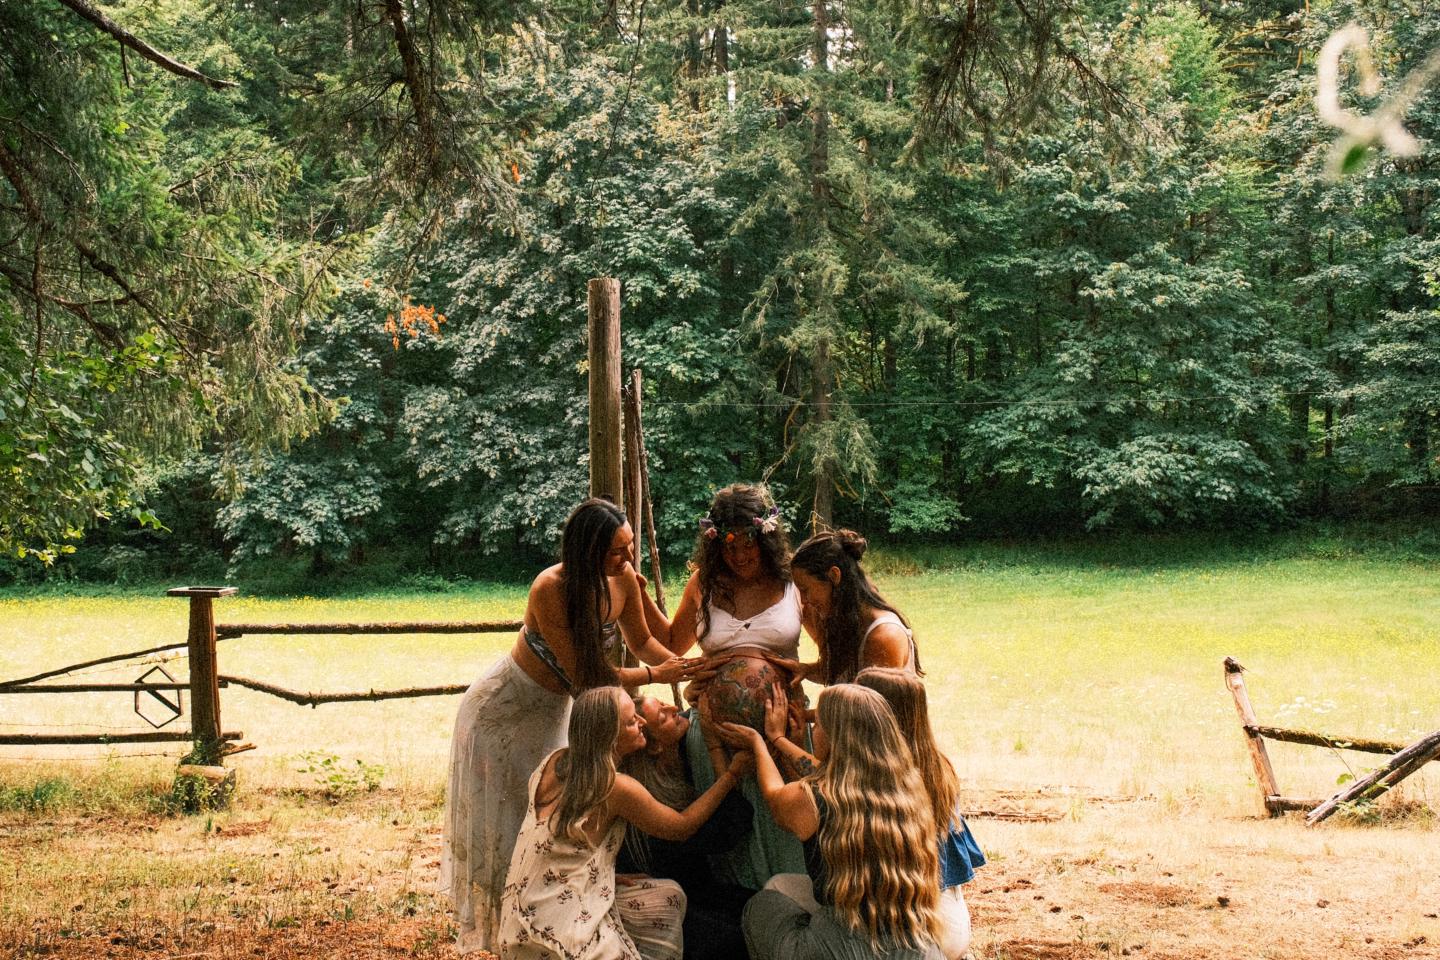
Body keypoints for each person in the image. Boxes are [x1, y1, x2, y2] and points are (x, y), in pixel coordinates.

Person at [442, 498, 699, 954]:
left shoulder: (622, 578)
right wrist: (655, 676)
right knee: (511, 822)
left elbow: (643, 640)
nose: (627, 558)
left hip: (554, 708)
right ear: (587, 550)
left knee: (551, 822)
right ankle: (511, 933)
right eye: (617, 550)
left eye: (630, 546)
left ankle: (555, 917)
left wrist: (683, 667)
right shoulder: (551, 588)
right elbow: (588, 677)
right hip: (506, 710)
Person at [499, 687, 753, 960]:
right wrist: (731, 774)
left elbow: (559, 849)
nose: (642, 722)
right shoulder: (614, 786)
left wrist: (603, 873)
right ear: (610, 737)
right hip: (557, 933)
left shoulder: (554, 762)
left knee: (669, 896)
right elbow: (682, 827)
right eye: (632, 721)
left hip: (518, 916)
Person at [718, 684, 945, 960]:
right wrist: (781, 740)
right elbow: (823, 780)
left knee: (760, 907)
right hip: (915, 945)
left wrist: (760, 744)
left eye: (817, 724)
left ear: (835, 736)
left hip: (843, 949)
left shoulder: (816, 798)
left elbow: (777, 799)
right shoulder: (908, 788)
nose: (814, 730)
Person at [664, 483, 808, 888]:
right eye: (729, 547)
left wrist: (805, 676)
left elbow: (832, 651)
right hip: (714, 738)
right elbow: (670, 646)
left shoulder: (793, 581)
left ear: (767, 537)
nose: (740, 555)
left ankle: (792, 906)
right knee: (731, 833)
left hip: (783, 733)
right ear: (714, 543)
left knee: (786, 828)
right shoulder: (703, 584)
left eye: (749, 544)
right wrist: (692, 681)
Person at [856, 667, 986, 960]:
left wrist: (778, 742)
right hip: (952, 923)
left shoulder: (883, 777)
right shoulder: (938, 765)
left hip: (924, 937)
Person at [618, 696, 756, 960]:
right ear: (655, 746)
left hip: (696, 889)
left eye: (664, 703)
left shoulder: (676, 750)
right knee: (734, 937)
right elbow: (730, 826)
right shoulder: (654, 802)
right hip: (677, 903)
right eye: (663, 716)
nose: (674, 708)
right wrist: (723, 761)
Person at [791, 529, 919, 685]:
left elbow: (869, 700)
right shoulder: (842, 618)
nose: (803, 600)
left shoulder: (884, 636)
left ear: (834, 575)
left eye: (805, 590)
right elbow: (843, 674)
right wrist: (806, 670)